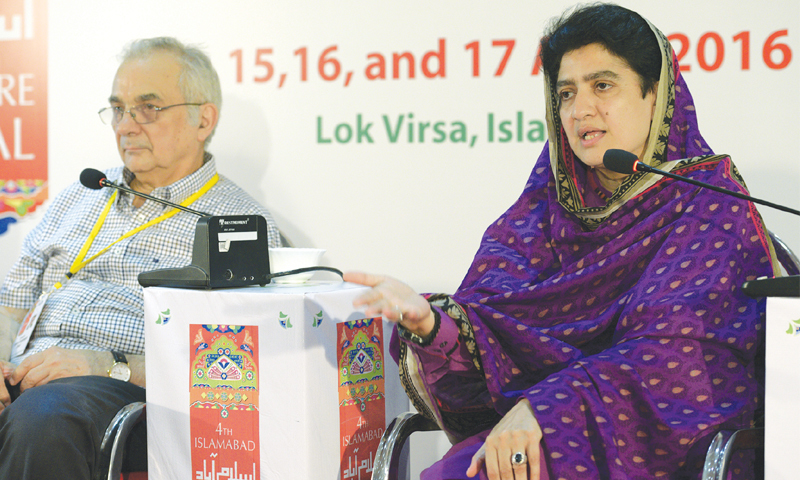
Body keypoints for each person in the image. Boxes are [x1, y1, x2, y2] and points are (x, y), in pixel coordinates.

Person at [345, 4, 779, 479]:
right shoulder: (542, 209)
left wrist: (549, 408)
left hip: (660, 454)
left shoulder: (709, 203)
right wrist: (430, 324)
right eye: (566, 92)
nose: (581, 109)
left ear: (656, 93)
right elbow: (492, 334)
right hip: (537, 435)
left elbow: (675, 359)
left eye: (603, 85)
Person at [0, 37, 282, 478]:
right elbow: (10, 304)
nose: (126, 126)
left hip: (120, 393)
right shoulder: (83, 192)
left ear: (203, 119)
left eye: (147, 108)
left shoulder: (236, 224)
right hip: (23, 373)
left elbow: (238, 367)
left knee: (46, 416)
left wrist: (107, 365)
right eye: (118, 108)